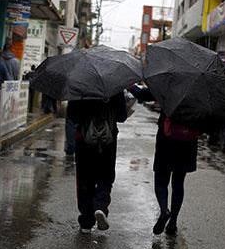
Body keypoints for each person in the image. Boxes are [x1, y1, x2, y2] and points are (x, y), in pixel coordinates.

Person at [128, 84, 200, 236]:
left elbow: (142, 94)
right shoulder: (197, 87)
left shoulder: (167, 84)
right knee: (178, 182)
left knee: (161, 179)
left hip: (167, 139)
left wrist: (130, 85)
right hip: (188, 141)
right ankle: (173, 223)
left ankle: (164, 210)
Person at [67, 92, 128, 234]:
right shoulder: (114, 87)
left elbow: (72, 115)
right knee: (106, 176)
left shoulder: (80, 87)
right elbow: (122, 116)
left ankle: (86, 222)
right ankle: (100, 206)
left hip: (84, 140)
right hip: (108, 141)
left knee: (84, 179)